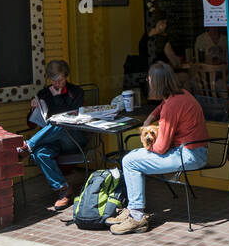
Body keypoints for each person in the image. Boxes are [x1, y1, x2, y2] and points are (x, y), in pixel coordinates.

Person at [109, 62, 208, 235]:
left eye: (149, 79)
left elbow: (161, 147)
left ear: (156, 82)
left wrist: (145, 145)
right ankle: (132, 209)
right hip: (195, 151)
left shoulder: (172, 106)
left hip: (189, 155)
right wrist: (150, 118)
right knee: (133, 157)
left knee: (130, 161)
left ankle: (136, 217)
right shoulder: (180, 94)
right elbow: (161, 107)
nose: (148, 82)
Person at [17, 60, 87, 211]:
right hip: (52, 140)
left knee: (60, 123)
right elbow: (31, 125)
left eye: (60, 80)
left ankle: (28, 146)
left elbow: (72, 118)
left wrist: (56, 98)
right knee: (40, 153)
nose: (57, 84)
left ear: (66, 76)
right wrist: (33, 110)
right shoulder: (43, 94)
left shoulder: (76, 92)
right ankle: (64, 189)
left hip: (73, 139)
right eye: (53, 80)